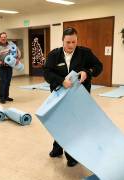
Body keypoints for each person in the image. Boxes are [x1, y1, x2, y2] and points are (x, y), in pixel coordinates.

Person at [43, 27, 103, 167]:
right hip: (59, 95)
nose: (71, 45)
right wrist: (61, 81)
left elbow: (98, 67)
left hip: (79, 96)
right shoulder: (54, 55)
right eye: (68, 42)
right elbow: (47, 73)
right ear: (62, 40)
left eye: (74, 42)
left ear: (77, 41)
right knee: (60, 123)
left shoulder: (85, 53)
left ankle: (72, 155)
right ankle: (57, 148)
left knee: (74, 125)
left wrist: (87, 72)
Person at [0, 32, 21, 104]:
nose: (3, 38)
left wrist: (17, 59)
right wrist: (1, 63)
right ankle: (1, 97)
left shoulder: (11, 45)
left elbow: (17, 52)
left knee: (8, 81)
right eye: (2, 37)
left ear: (6, 37)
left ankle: (6, 96)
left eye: (4, 37)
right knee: (3, 81)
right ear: (0, 38)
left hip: (9, 66)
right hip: (1, 66)